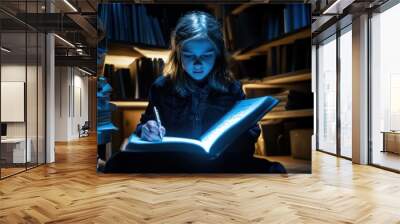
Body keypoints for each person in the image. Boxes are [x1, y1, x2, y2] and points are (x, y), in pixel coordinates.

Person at [106, 11, 286, 173]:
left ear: (217, 56)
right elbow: (144, 126)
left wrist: (245, 132)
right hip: (172, 161)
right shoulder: (161, 87)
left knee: (273, 169)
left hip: (220, 161)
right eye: (189, 55)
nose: (198, 63)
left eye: (206, 55)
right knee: (116, 162)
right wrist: (146, 131)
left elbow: (248, 145)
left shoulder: (231, 88)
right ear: (178, 54)